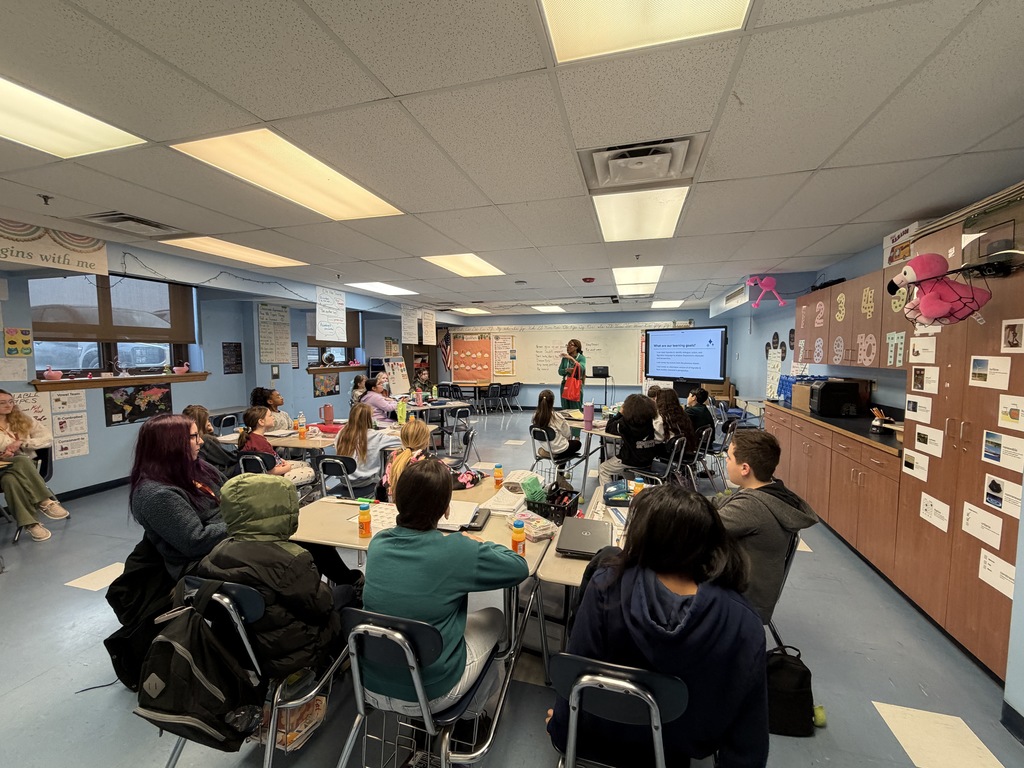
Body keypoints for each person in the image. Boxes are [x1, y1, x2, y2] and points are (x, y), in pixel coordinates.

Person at [546, 485, 769, 767]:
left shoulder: (607, 586)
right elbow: (749, 727)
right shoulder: (743, 621)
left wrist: (562, 731)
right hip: (682, 743)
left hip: (600, 734)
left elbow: (577, 670)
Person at [362, 459, 528, 715]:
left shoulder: (378, 544)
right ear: (446, 508)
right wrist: (478, 543)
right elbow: (518, 567)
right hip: (431, 693)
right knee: (495, 617)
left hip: (370, 686)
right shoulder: (457, 549)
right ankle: (473, 712)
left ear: (397, 500)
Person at [196, 474, 346, 677]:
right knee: (346, 594)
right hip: (294, 653)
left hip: (241, 652)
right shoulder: (290, 561)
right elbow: (321, 607)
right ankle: (343, 661)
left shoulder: (216, 554)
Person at [715, 429, 818, 623]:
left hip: (741, 599)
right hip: (752, 589)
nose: (726, 461)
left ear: (745, 468)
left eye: (728, 458)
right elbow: (719, 505)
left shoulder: (751, 506)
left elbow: (701, 525)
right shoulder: (769, 490)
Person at [129, 414, 227, 577]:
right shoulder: (156, 495)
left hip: (226, 543)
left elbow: (230, 493)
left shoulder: (199, 467)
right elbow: (196, 542)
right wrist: (244, 521)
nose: (201, 442)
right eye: (194, 437)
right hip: (199, 564)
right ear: (170, 444)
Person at [0, 389, 68, 542]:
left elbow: (47, 438)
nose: (8, 405)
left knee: (10, 480)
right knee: (22, 460)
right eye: (2, 403)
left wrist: (23, 443)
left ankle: (30, 524)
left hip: (18, 469)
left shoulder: (22, 419)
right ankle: (44, 501)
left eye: (10, 401)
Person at [237, 406, 316, 486]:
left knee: (306, 464)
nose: (273, 417)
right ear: (261, 422)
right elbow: (270, 471)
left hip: (264, 472)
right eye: (270, 416)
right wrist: (287, 468)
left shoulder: (251, 437)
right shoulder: (261, 444)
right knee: (311, 471)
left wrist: (281, 461)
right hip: (269, 478)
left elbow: (270, 459)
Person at [335, 403, 401, 492]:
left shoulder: (341, 433)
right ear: (368, 419)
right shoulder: (374, 435)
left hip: (345, 481)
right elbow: (401, 441)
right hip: (367, 482)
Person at [598, 393, 658, 485]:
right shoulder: (649, 421)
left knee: (603, 468)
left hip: (630, 459)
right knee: (625, 470)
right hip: (648, 459)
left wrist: (619, 413)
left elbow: (609, 427)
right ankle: (631, 489)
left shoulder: (625, 423)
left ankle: (608, 495)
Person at [378, 417, 432, 501]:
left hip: (394, 506)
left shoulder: (394, 456)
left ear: (402, 439)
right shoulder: (428, 459)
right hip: (420, 508)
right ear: (426, 441)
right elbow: (456, 479)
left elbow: (384, 484)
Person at [182, 404, 237, 474]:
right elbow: (229, 459)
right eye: (207, 420)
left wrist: (211, 433)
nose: (209, 422)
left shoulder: (186, 440)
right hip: (220, 473)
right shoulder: (205, 439)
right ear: (201, 422)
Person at [531, 389, 580, 460]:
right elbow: (567, 433)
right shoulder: (557, 416)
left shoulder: (535, 416)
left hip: (546, 447)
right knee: (577, 444)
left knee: (562, 444)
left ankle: (548, 453)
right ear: (552, 402)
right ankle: (557, 456)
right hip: (560, 448)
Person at [653, 389, 697, 459]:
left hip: (670, 452)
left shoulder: (661, 418)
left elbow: (658, 439)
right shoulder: (682, 414)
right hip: (682, 450)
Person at [557, 339, 586, 410]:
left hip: (575, 384)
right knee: (565, 408)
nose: (568, 347)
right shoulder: (564, 359)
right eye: (567, 345)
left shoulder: (581, 358)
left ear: (576, 347)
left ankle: (576, 421)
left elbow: (581, 368)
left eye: (570, 345)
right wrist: (567, 370)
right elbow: (560, 371)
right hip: (565, 384)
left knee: (575, 408)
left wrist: (571, 359)